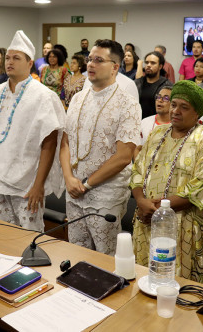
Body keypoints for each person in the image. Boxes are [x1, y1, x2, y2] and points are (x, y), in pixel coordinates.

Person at [130, 80, 203, 283]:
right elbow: (137, 170)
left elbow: (201, 185)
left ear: (197, 113)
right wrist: (140, 201)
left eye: (184, 107)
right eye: (174, 104)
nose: (175, 111)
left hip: (184, 225)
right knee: (144, 280)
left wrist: (158, 210)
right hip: (146, 219)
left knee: (179, 288)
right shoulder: (157, 133)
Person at [0, 30, 65, 232]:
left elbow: (49, 143)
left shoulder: (43, 95)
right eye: (7, 58)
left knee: (29, 238)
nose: (9, 62)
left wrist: (38, 185)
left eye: (16, 58)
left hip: (28, 184)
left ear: (29, 63)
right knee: (4, 235)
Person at [60, 39, 141, 254]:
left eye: (98, 60)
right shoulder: (77, 98)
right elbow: (65, 142)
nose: (90, 65)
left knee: (106, 256)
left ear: (115, 67)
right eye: (89, 59)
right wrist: (69, 178)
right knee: (77, 251)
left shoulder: (128, 103)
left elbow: (124, 156)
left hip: (105, 192)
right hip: (74, 188)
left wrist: (86, 185)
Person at [135, 51, 173, 119]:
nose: (148, 65)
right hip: (138, 122)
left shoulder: (167, 85)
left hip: (158, 123)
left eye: (153, 63)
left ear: (160, 66)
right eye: (147, 62)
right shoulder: (137, 83)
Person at [137, 85, 172, 156]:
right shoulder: (145, 122)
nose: (160, 100)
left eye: (165, 98)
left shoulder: (177, 126)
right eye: (158, 97)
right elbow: (137, 148)